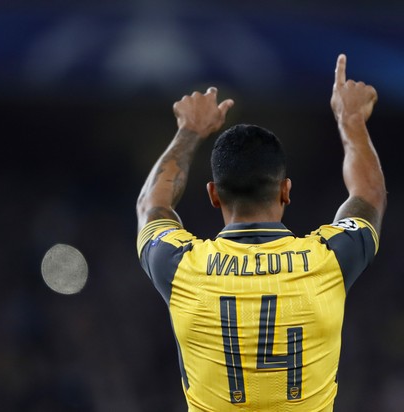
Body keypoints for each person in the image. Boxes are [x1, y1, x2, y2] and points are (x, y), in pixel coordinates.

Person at [136, 54, 386, 412]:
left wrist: (189, 130)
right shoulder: (327, 261)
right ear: (285, 191)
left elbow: (151, 206)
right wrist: (351, 120)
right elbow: (368, 196)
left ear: (213, 194)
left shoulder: (181, 267)